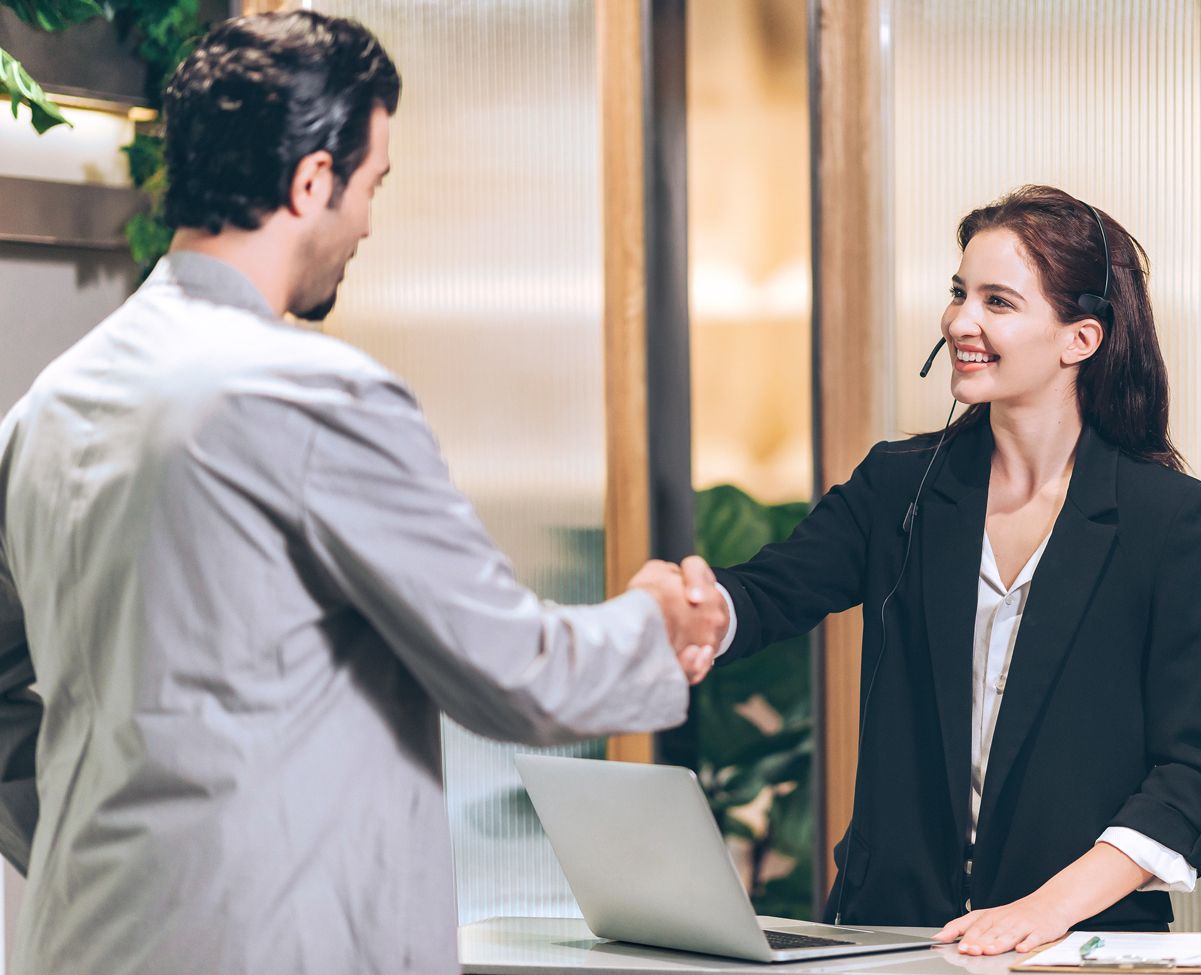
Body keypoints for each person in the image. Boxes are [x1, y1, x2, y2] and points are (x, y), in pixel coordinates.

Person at [0, 11, 724, 974]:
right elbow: (514, 672)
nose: (370, 221)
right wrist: (652, 617)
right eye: (372, 183)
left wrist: (106, 841)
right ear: (313, 182)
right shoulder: (312, 395)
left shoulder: (49, 403)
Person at [691, 185, 1201, 953]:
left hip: (1076, 945)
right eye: (958, 293)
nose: (959, 321)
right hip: (893, 936)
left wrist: (1046, 909)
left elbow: (1195, 773)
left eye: (997, 301)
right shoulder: (898, 485)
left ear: (1080, 337)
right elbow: (771, 589)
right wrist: (701, 610)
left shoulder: (1167, 520)